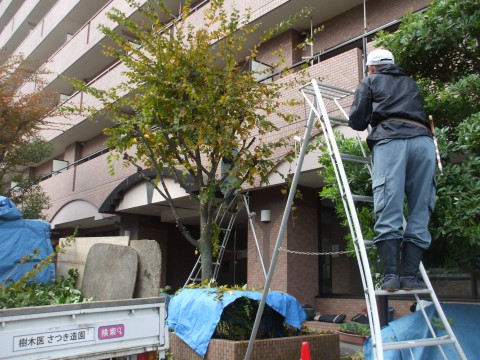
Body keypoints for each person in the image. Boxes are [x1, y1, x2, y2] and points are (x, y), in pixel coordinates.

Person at [348, 49, 437, 291]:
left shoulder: (370, 81)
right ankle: (409, 277)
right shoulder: (411, 83)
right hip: (423, 142)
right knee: (421, 206)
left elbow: (357, 121)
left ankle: (391, 276)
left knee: (389, 202)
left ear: (372, 68)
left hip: (391, 140)